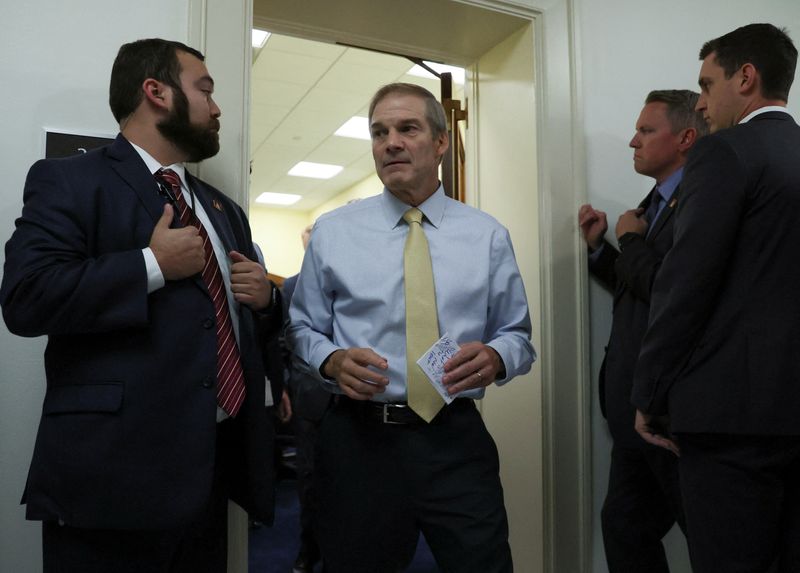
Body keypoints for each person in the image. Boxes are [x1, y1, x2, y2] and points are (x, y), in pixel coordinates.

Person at [0, 38, 282, 573]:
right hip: (111, 483)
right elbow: (25, 298)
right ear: (156, 92)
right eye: (205, 90)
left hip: (211, 478)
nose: (217, 108)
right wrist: (151, 265)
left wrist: (266, 300)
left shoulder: (224, 209)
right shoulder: (69, 180)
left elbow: (225, 323)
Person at [287, 83, 535, 573]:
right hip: (359, 442)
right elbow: (301, 329)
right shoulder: (334, 232)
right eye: (379, 132)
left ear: (441, 142)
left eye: (407, 128)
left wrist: (498, 356)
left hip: (455, 441)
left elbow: (517, 334)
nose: (390, 143)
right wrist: (332, 360)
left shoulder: (486, 235)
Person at [631, 24, 800, 573]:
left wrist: (650, 393)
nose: (701, 104)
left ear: (745, 77)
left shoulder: (725, 153)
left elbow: (686, 283)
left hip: (731, 419)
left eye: (707, 85)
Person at [579, 89, 706, 572]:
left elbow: (674, 293)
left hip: (673, 414)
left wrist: (630, 239)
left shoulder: (700, 202)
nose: (633, 140)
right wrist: (601, 250)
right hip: (635, 412)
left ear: (686, 137)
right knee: (625, 530)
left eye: (647, 130)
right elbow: (642, 290)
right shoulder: (654, 203)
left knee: (712, 538)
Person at [281, 224, 330, 573]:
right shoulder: (290, 286)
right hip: (310, 399)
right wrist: (283, 387)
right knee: (311, 480)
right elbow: (284, 342)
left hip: (361, 400)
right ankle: (309, 549)